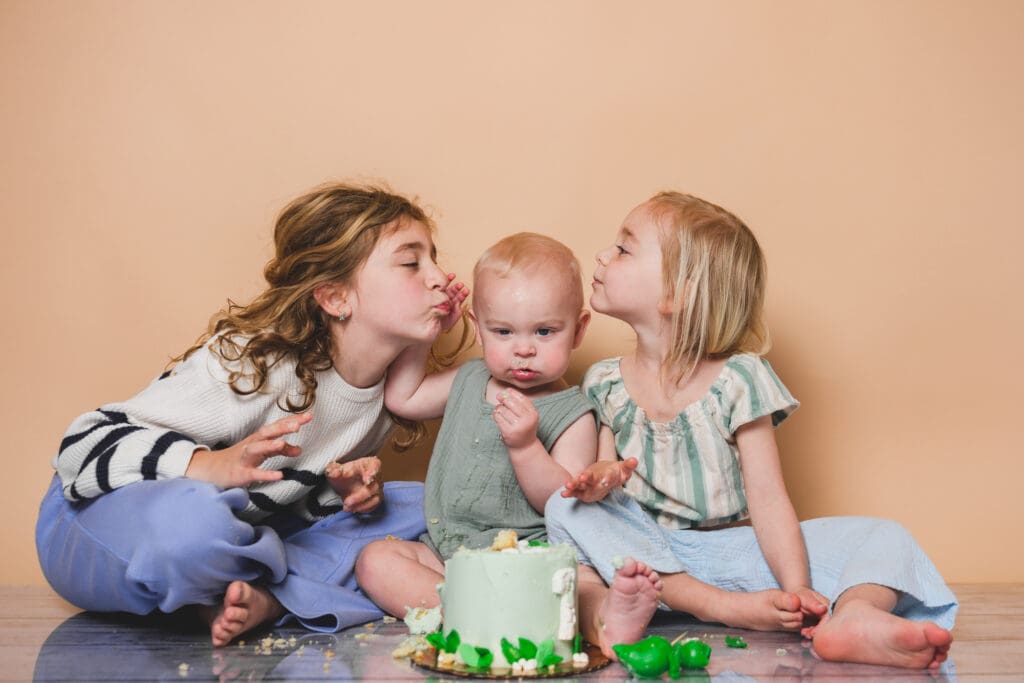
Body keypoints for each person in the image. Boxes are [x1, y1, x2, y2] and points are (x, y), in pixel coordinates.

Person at [36, 182, 469, 647]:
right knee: (197, 524)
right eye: (411, 262)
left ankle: (260, 598)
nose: (439, 276)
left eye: (435, 259)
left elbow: (289, 500)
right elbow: (81, 444)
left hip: (246, 535)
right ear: (335, 298)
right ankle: (283, 587)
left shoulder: (382, 392)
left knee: (427, 509)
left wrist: (341, 494)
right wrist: (207, 466)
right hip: (95, 524)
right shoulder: (250, 365)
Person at [545, 191, 958, 669]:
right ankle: (710, 605)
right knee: (566, 506)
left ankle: (851, 616)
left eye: (624, 248)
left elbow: (767, 497)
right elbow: (606, 470)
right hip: (645, 561)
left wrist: (798, 591)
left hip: (734, 554)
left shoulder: (740, 380)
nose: (602, 255)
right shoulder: (604, 381)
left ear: (676, 294)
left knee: (885, 535)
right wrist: (599, 480)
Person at [354, 232, 597, 616]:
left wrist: (526, 446)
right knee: (374, 560)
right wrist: (427, 334)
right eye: (503, 331)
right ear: (478, 327)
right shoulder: (469, 378)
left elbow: (563, 503)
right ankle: (478, 614)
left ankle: (482, 615)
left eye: (545, 331)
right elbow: (404, 398)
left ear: (579, 330)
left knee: (576, 585)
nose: (524, 348)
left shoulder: (573, 414)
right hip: (446, 551)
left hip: (522, 558)